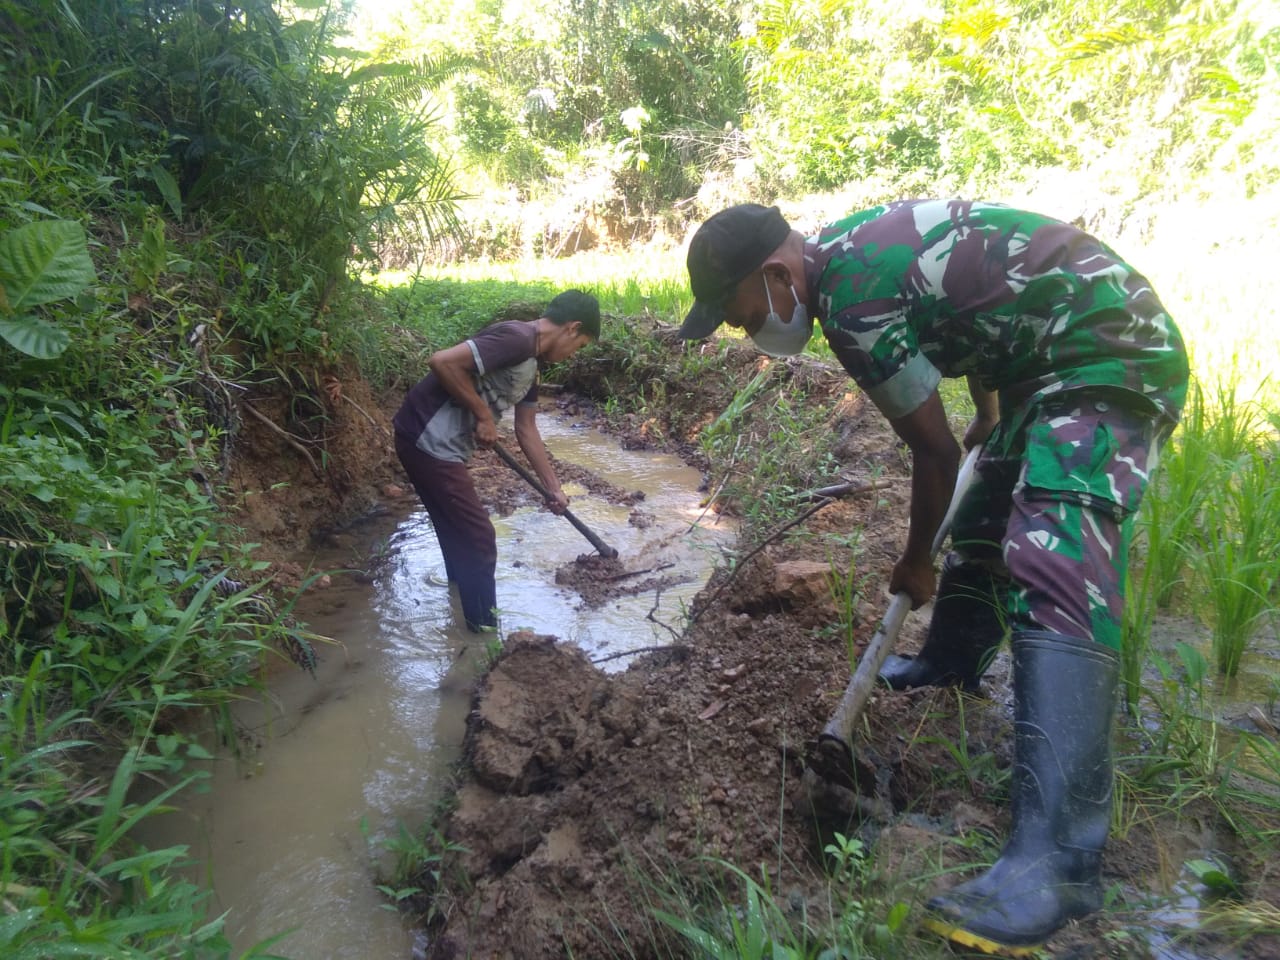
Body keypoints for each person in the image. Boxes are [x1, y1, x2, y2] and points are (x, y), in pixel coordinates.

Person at [678, 200, 1189, 953]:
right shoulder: (847, 254)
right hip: (1039, 360)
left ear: (777, 274)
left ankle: (1059, 863)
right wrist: (990, 411)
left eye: (737, 311)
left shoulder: (851, 307)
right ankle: (949, 664)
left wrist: (914, 561)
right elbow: (975, 300)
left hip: (1105, 353)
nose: (739, 328)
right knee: (985, 519)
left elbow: (934, 454)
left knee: (1054, 550)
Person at [393, 290, 602, 633]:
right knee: (478, 538)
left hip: (430, 440)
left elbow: (527, 429)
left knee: (454, 529)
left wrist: (554, 489)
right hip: (427, 439)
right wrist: (483, 415)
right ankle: (483, 635)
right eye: (579, 347)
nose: (571, 356)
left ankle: (459, 603)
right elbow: (442, 362)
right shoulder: (518, 338)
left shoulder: (532, 365)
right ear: (572, 328)